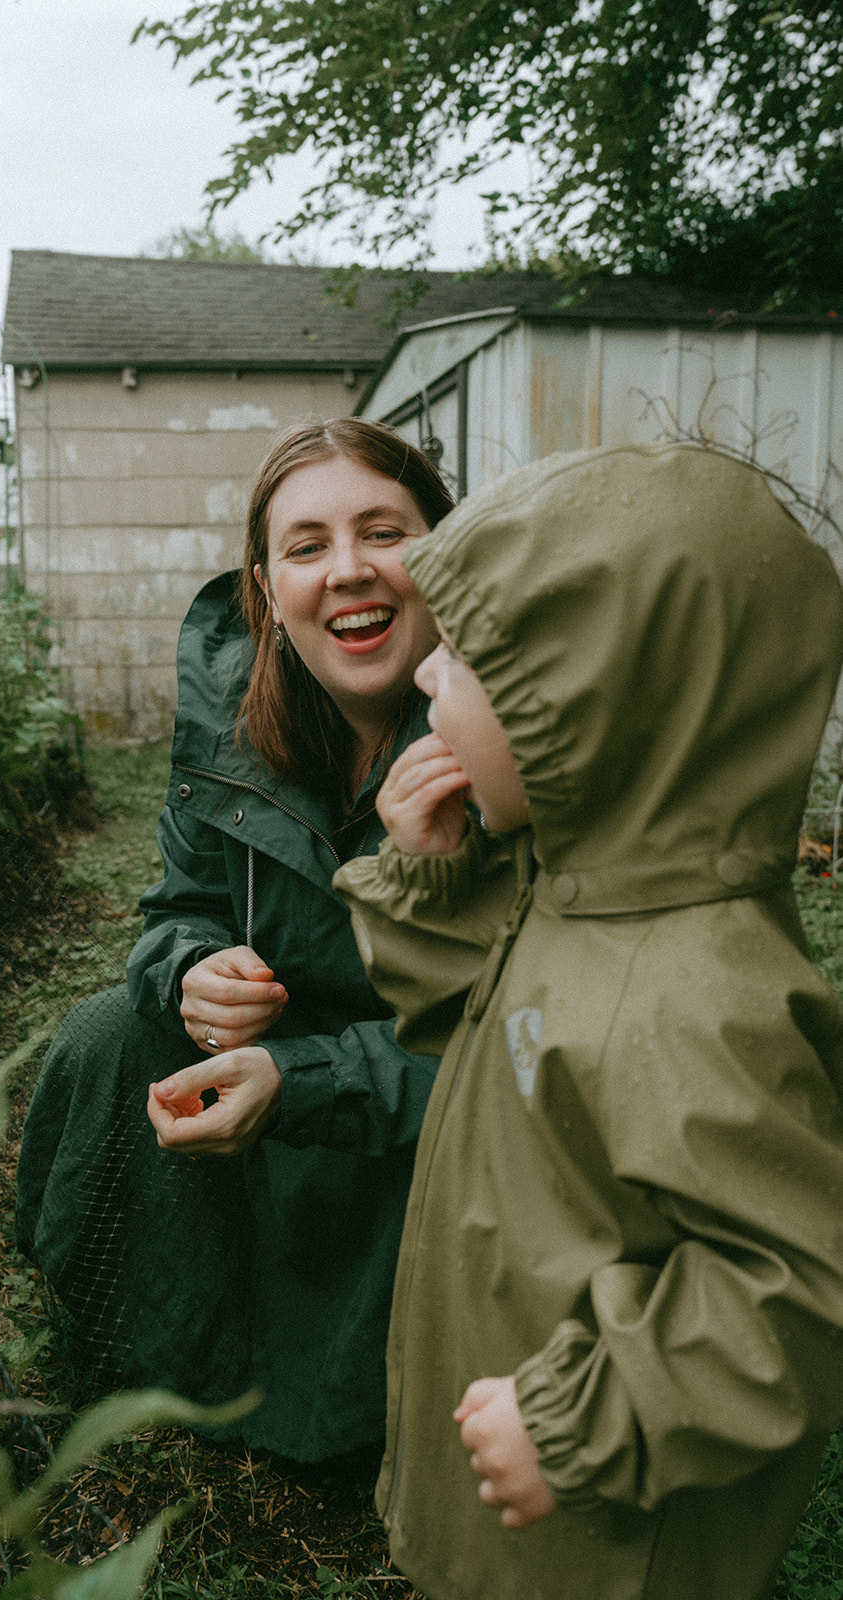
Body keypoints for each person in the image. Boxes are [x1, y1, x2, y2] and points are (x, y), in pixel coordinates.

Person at [333, 441, 843, 1599]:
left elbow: (803, 1286)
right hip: (520, 1502)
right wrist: (432, 879)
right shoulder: (577, 885)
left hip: (605, 1541)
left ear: (592, 709)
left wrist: (583, 1420)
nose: (424, 679)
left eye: (464, 659)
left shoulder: (698, 997)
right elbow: (471, 1026)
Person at [16, 418, 474, 1463]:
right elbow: (174, 906)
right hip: (281, 1047)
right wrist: (191, 971)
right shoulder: (231, 716)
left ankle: (379, 1393)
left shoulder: (504, 726)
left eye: (382, 531)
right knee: (102, 1033)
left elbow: (517, 1026)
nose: (347, 570)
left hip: (437, 1076)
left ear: (444, 553)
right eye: (306, 546)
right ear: (266, 590)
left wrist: (304, 1075)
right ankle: (150, 1331)